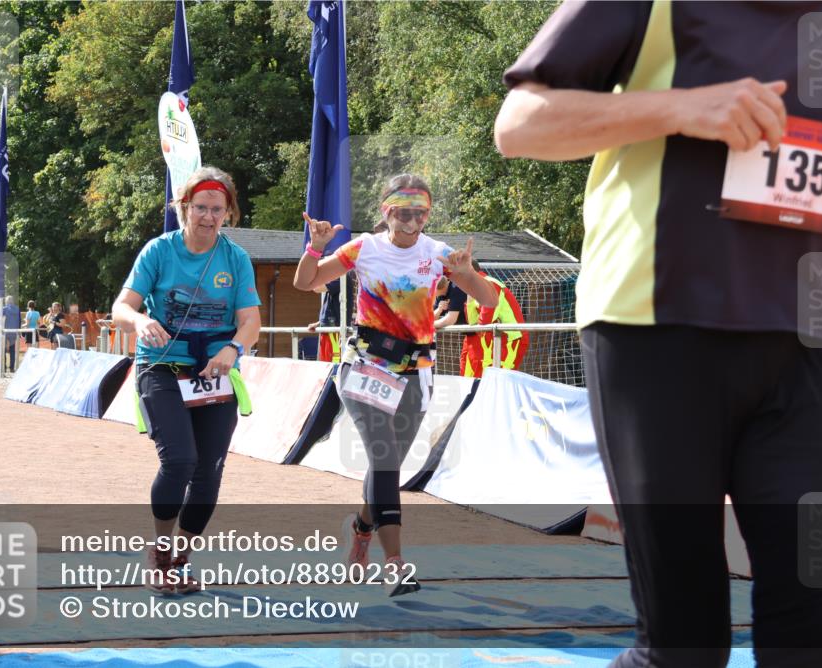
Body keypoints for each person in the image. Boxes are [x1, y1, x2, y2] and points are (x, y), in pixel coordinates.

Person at [495, 3, 822, 666]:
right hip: (655, 333)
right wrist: (681, 107)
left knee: (816, 636)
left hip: (810, 348)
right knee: (683, 644)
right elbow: (520, 124)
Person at [294, 173, 497, 596]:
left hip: (416, 369)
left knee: (388, 466)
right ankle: (395, 563)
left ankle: (362, 528)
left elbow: (490, 302)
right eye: (403, 213)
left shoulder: (437, 252)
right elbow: (306, 282)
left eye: (420, 213)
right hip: (366, 365)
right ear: (386, 212)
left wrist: (468, 276)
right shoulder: (364, 247)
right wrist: (315, 247)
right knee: (384, 459)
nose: (412, 222)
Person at [112, 166, 261, 594]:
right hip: (160, 366)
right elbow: (122, 307)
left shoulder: (236, 259)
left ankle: (181, 558)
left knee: (209, 470)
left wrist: (233, 349)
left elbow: (250, 320)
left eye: (217, 209)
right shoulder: (158, 252)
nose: (208, 217)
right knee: (179, 460)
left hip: (215, 372)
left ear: (228, 213)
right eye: (200, 208)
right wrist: (140, 322)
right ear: (183, 209)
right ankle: (159, 552)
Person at [460, 260, 529, 378]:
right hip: (498, 339)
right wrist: (469, 296)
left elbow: (485, 321)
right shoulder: (475, 288)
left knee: (501, 381)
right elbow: (472, 322)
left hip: (512, 339)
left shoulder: (490, 284)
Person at [0, 295, 21, 372]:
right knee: (12, 350)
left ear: (6, 301)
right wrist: (19, 331)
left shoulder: (4, 309)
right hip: (14, 332)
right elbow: (19, 320)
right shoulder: (17, 309)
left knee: (3, 349)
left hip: (5, 332)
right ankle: (12, 368)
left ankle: (3, 367)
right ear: (12, 301)